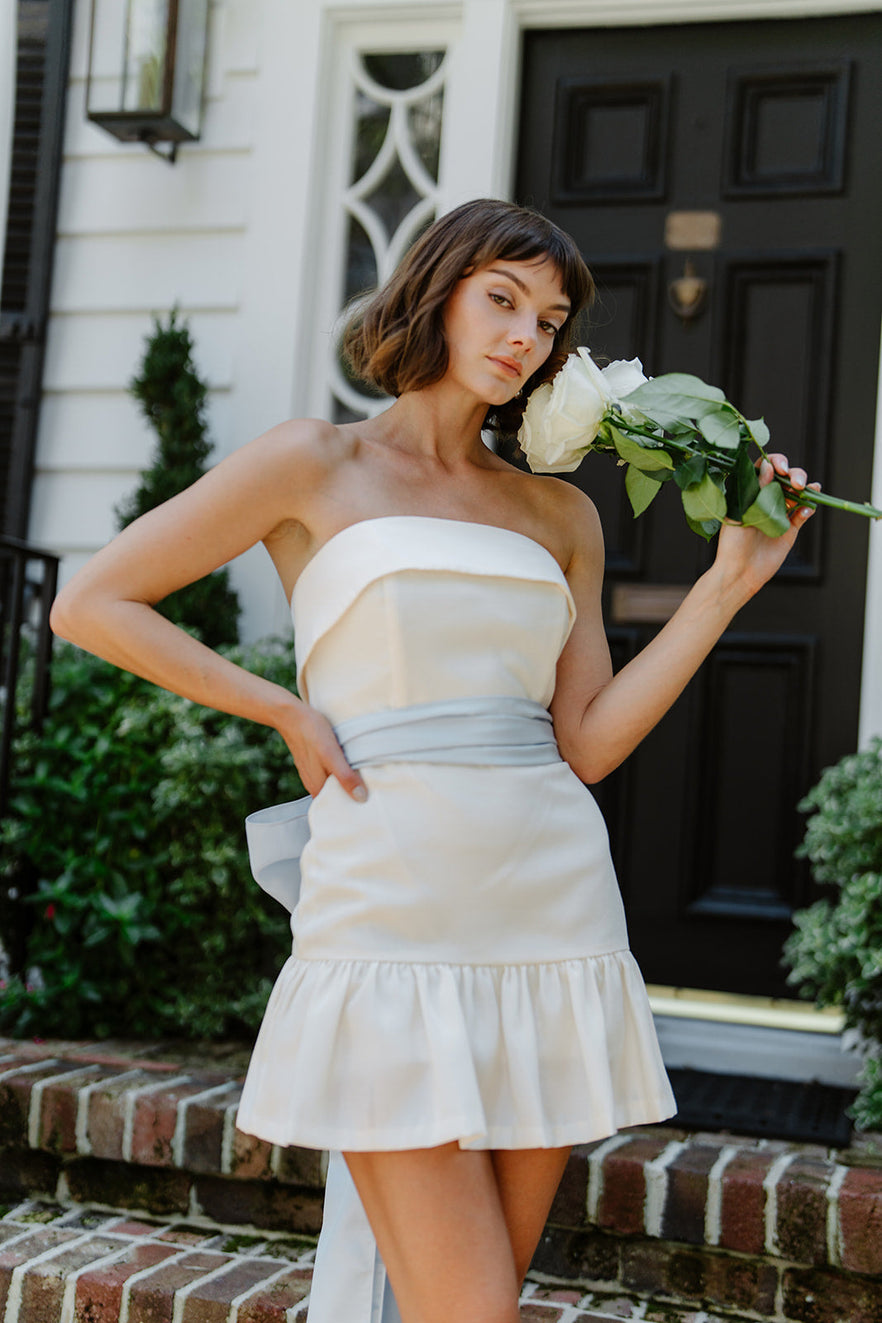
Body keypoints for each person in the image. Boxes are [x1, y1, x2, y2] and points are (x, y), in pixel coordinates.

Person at [50, 199, 814, 1323]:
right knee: (472, 1311)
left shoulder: (560, 513)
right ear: (436, 291)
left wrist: (727, 584)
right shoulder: (312, 461)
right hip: (391, 906)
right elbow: (92, 603)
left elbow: (589, 741)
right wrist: (284, 713)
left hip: (552, 912)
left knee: (462, 1307)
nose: (525, 337)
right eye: (501, 299)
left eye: (549, 321)